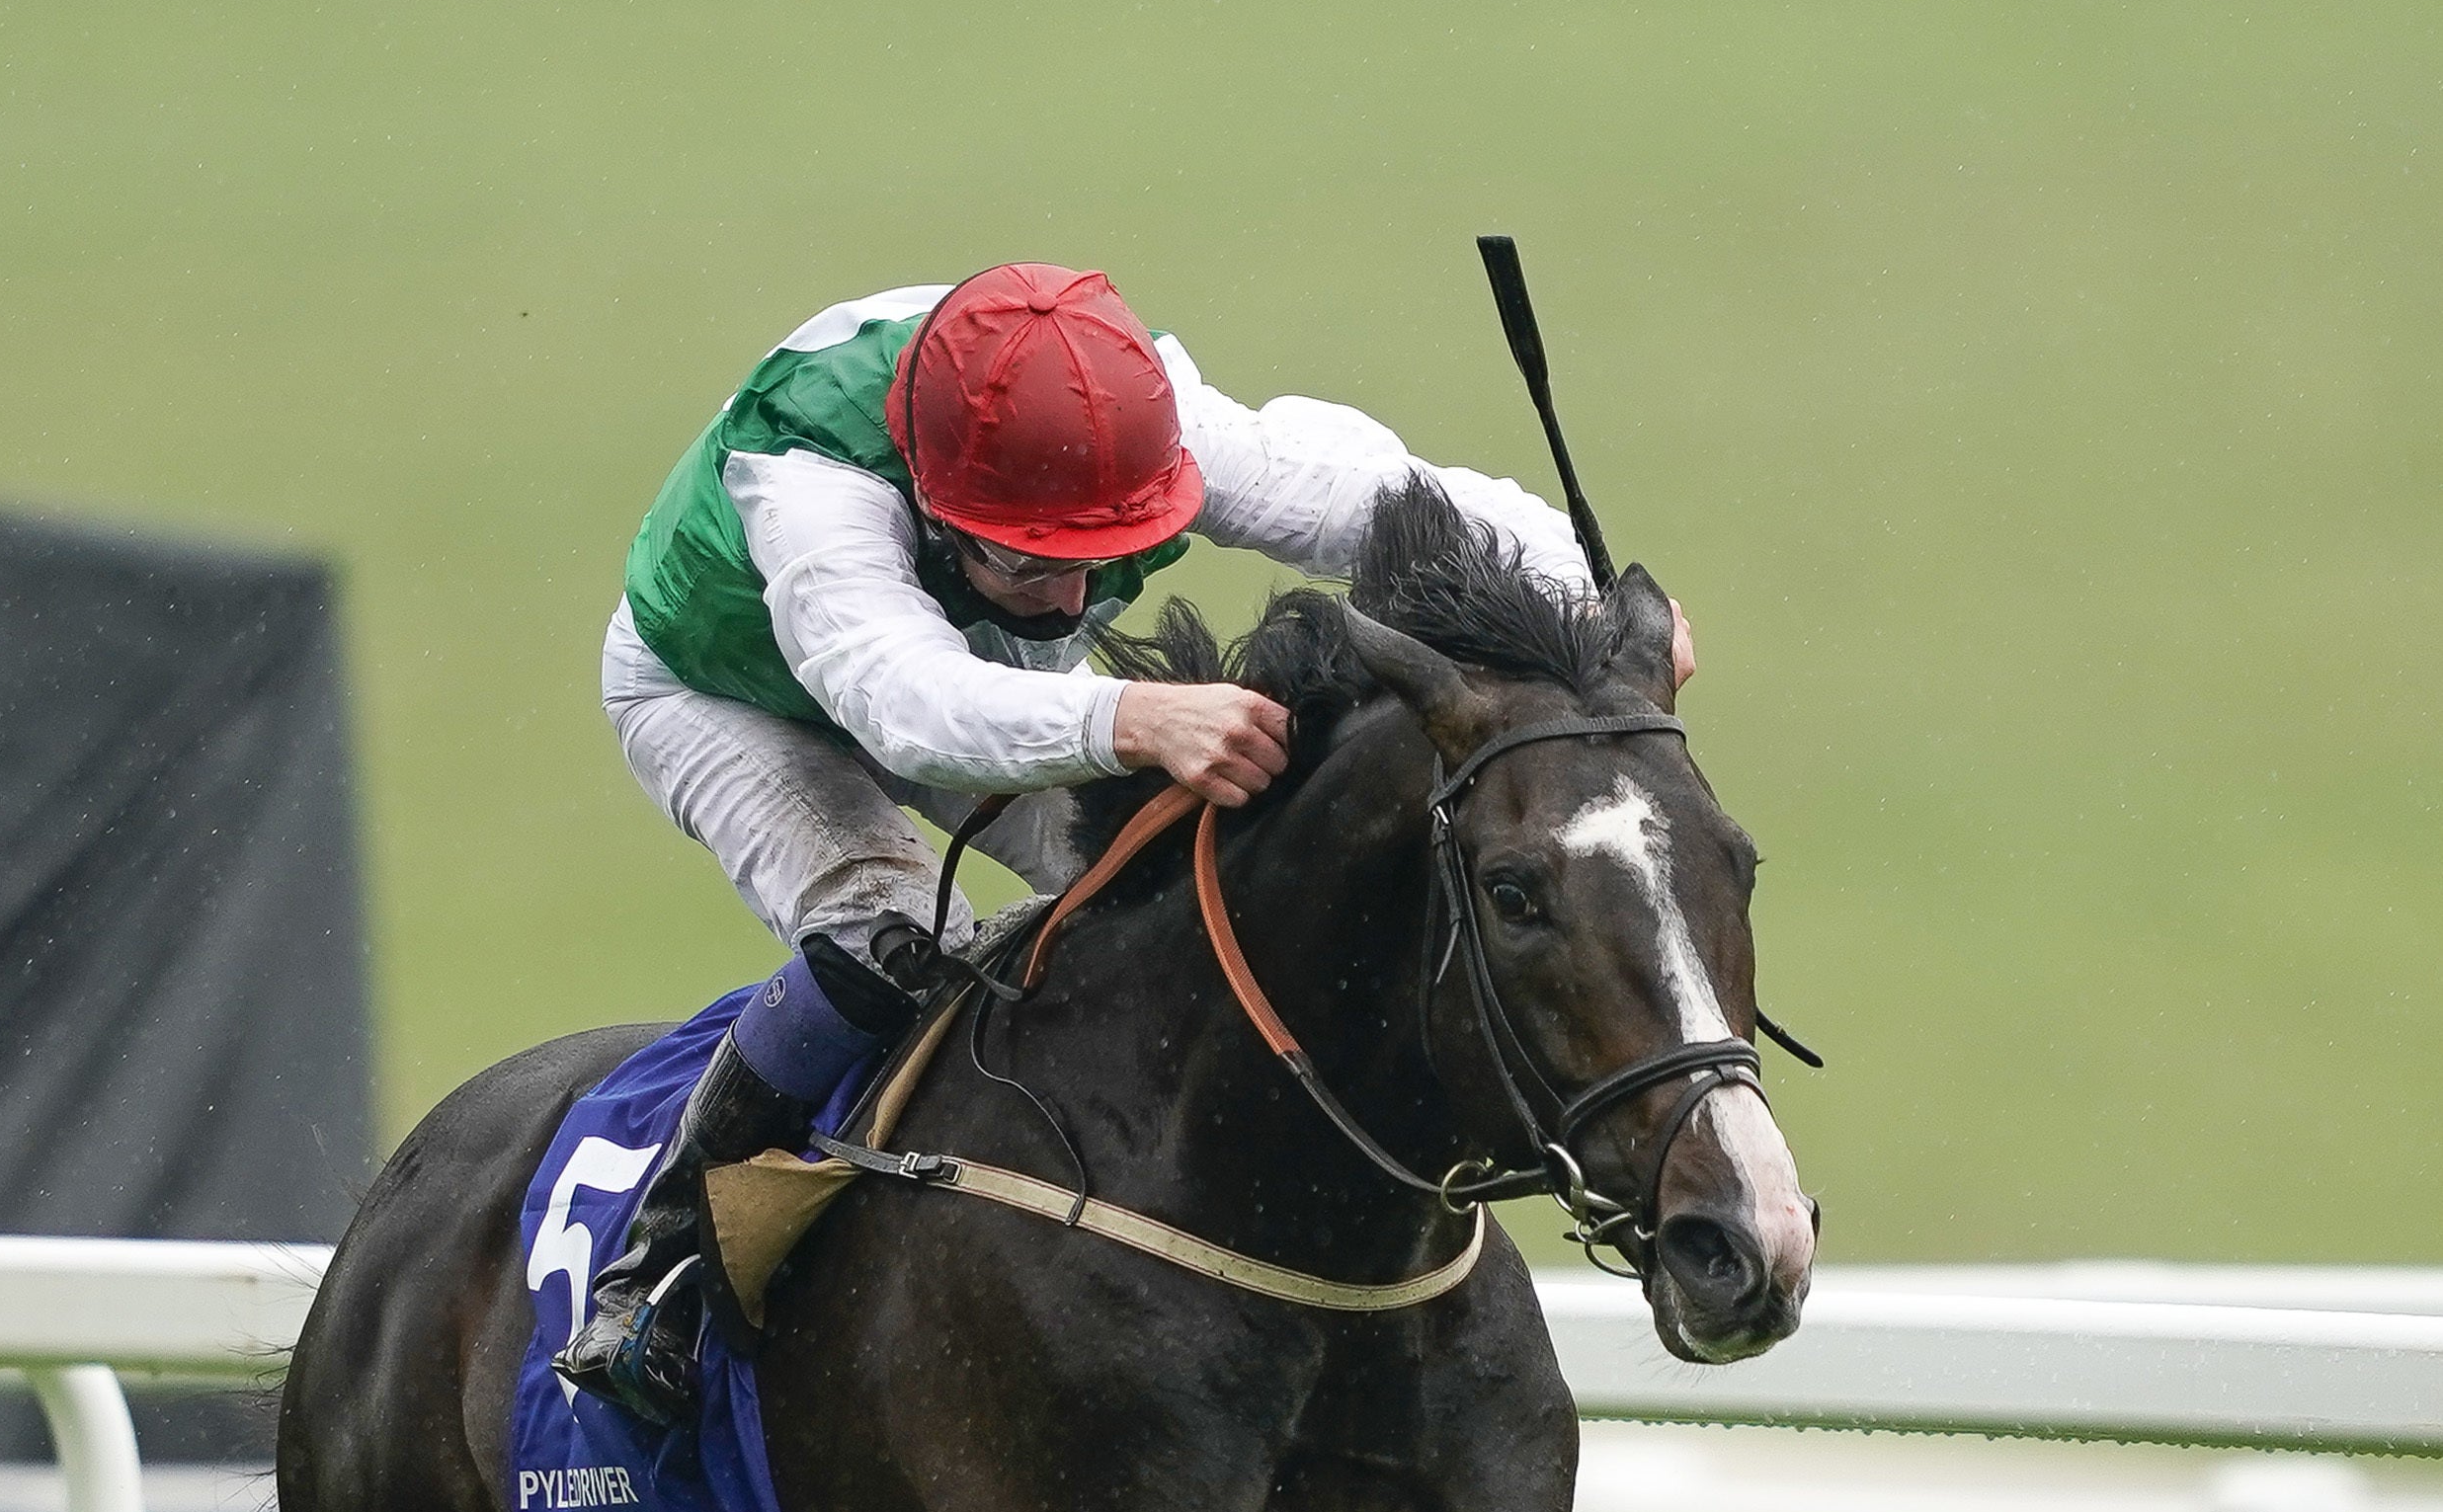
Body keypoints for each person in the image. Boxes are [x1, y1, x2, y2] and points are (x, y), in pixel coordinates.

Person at [558, 264, 1690, 1423]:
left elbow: (1407, 510)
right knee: (897, 938)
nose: (1073, 598)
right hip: (736, 698)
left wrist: (1594, 610)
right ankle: (662, 1265)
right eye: (1034, 562)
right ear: (938, 505)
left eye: (1104, 553)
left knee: (1174, 891)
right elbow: (901, 699)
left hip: (973, 676)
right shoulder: (811, 488)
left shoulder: (1156, 426)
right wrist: (1131, 715)